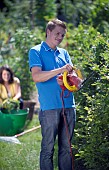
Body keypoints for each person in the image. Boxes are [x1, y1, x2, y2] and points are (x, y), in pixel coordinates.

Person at [29, 18, 76, 170]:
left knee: (66, 150)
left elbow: (74, 79)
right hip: (49, 109)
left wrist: (73, 82)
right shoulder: (36, 51)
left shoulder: (64, 53)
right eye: (57, 33)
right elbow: (37, 76)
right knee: (48, 149)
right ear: (48, 32)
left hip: (69, 106)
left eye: (62, 35)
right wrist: (61, 70)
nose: (60, 37)